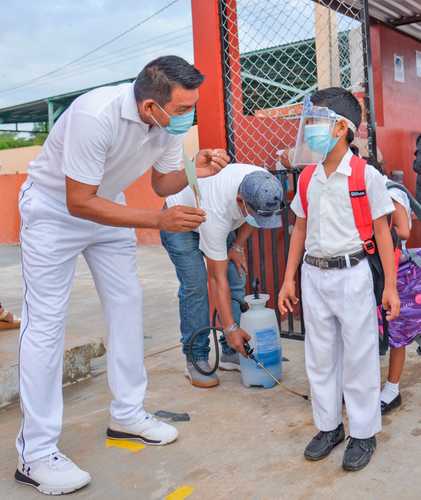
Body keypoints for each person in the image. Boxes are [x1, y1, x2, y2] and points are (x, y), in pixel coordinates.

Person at [15, 55, 230, 495]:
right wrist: (157, 221)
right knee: (46, 324)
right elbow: (79, 201)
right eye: (184, 108)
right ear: (151, 107)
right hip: (55, 211)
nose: (190, 116)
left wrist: (198, 169)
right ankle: (35, 454)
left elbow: (162, 185)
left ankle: (127, 415)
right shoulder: (95, 116)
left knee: (127, 305)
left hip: (106, 206)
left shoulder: (168, 126)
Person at [278, 87, 400, 472]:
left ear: (341, 128)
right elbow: (299, 228)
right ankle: (328, 427)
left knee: (360, 356)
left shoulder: (366, 176)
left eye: (317, 121)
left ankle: (363, 432)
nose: (309, 129)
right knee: (320, 357)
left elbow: (382, 232)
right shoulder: (308, 178)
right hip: (314, 275)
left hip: (352, 275)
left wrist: (392, 287)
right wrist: (288, 279)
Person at [161, 164, 283, 387]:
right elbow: (217, 280)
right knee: (196, 286)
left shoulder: (264, 185)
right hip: (181, 220)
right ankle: (195, 357)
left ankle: (230, 351)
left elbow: (255, 218)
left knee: (236, 277)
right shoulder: (217, 211)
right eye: (252, 210)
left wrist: (236, 246)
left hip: (218, 218)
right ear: (240, 200)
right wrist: (230, 327)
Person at [380, 179, 420, 414]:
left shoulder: (389, 192)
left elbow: (404, 230)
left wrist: (370, 230)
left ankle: (392, 390)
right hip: (383, 272)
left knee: (399, 333)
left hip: (403, 274)